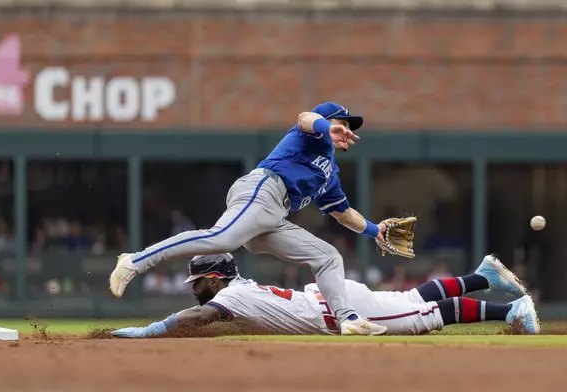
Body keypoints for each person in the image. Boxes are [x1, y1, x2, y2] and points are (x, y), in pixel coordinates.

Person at [110, 102, 397, 335]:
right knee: (218, 239)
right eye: (343, 124)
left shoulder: (330, 174)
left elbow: (343, 213)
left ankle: (347, 319)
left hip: (275, 215)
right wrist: (327, 126)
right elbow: (304, 117)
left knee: (328, 256)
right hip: (263, 190)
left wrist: (375, 231)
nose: (346, 131)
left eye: (348, 127)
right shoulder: (314, 136)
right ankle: (134, 261)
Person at [111, 253, 540, 338]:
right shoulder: (237, 291)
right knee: (411, 298)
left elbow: (199, 319)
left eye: (199, 283)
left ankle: (510, 311)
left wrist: (155, 328)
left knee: (423, 314)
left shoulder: (232, 297)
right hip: (332, 301)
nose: (197, 290)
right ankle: (483, 276)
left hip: (335, 311)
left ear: (216, 279)